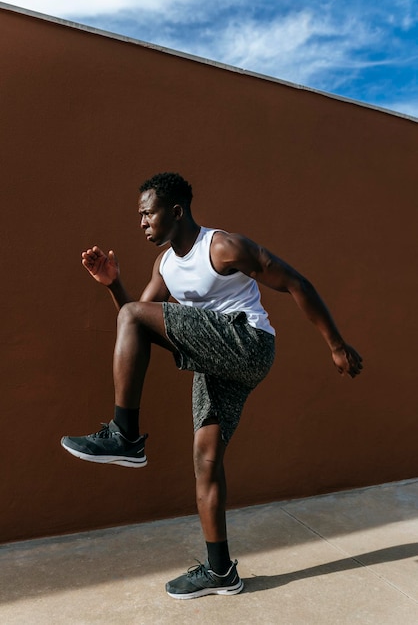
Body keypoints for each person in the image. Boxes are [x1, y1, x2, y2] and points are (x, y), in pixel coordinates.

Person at [61, 172, 363, 600]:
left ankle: (125, 434)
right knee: (205, 458)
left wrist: (336, 345)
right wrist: (113, 285)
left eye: (148, 213)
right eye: (139, 216)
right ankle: (222, 572)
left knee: (133, 317)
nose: (142, 222)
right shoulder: (164, 266)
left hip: (248, 342)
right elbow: (137, 315)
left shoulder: (221, 246)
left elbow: (296, 282)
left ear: (177, 211)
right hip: (218, 361)